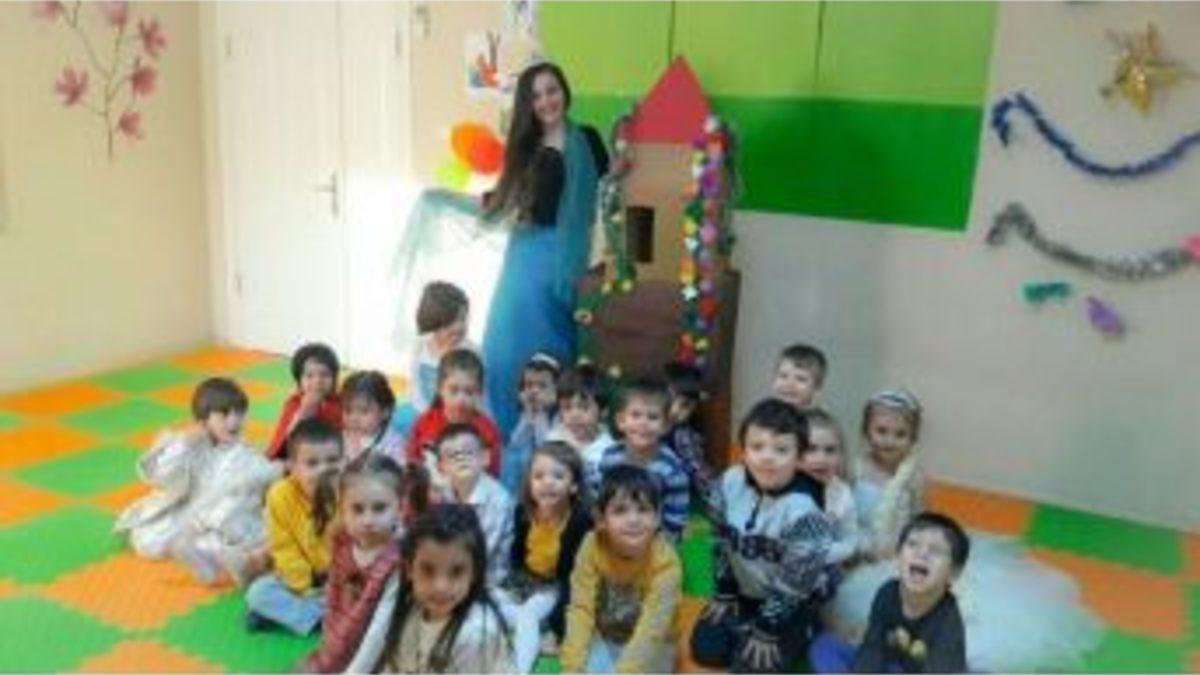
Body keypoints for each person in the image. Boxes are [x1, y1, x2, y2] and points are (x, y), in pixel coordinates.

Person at [829, 389, 1103, 672]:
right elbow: (842, 510)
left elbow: (922, 521)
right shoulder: (855, 469)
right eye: (881, 431)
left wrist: (907, 552)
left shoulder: (914, 477)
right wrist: (855, 548)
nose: (889, 440)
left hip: (899, 553)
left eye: (900, 434)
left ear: (913, 438)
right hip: (859, 546)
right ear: (866, 431)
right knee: (854, 610)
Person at [481, 62, 609, 439]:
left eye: (552, 90)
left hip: (569, 253)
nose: (546, 101)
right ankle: (508, 435)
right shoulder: (523, 146)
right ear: (528, 103)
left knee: (556, 340)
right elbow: (505, 199)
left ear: (564, 91)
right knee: (506, 341)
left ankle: (557, 436)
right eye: (536, 95)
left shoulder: (587, 139)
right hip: (525, 255)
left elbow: (607, 198)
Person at [690, 398, 835, 673]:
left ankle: (806, 627)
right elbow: (719, 539)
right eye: (757, 447)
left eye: (781, 449)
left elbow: (795, 584)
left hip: (790, 602)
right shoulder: (729, 482)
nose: (767, 457)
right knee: (706, 648)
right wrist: (725, 591)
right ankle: (746, 627)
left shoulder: (805, 512)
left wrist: (768, 626)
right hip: (744, 592)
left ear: (799, 457)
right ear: (743, 451)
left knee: (752, 668)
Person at [114, 377, 280, 586]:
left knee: (246, 530)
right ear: (203, 421)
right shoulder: (192, 446)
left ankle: (217, 560)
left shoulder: (245, 453)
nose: (234, 421)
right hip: (192, 510)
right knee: (150, 540)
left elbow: (257, 481)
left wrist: (275, 471)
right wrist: (184, 443)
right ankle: (209, 557)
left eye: (239, 413)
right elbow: (160, 474)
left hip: (227, 516)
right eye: (224, 415)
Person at [346, 505, 518, 673]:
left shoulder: (474, 634)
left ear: (474, 573)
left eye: (456, 572)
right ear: (409, 569)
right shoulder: (411, 609)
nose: (440, 587)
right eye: (428, 570)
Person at [302, 454, 429, 672]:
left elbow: (380, 630)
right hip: (341, 638)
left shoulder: (399, 559)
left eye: (379, 508)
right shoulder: (342, 542)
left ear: (400, 508)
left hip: (381, 653)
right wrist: (328, 643)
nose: (368, 520)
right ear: (342, 510)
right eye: (357, 509)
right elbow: (332, 593)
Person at [810, 512, 969, 673]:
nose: (922, 554)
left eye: (935, 551)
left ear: (953, 573)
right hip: (886, 665)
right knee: (825, 645)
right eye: (913, 544)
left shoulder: (949, 624)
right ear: (897, 557)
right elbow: (873, 648)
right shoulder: (888, 593)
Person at [559, 465, 681, 673]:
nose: (633, 520)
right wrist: (572, 666)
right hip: (605, 636)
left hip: (653, 644)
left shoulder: (666, 563)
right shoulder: (591, 545)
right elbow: (581, 609)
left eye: (643, 510)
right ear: (600, 519)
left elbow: (652, 629)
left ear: (657, 518)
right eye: (620, 510)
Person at [245, 418, 345, 635]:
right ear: (292, 467)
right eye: (312, 463)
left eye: (332, 461)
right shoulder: (280, 495)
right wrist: (304, 586)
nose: (323, 470)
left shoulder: (349, 492)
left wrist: (336, 581)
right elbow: (283, 546)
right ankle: (317, 618)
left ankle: (291, 616)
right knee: (259, 592)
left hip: (341, 577)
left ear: (344, 461)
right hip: (304, 579)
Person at [499, 441, 593, 670]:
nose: (547, 482)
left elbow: (574, 579)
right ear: (529, 483)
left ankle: (519, 667)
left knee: (528, 614)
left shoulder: (579, 523)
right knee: (488, 599)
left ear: (573, 486)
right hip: (525, 578)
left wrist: (561, 628)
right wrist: (512, 584)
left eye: (558, 476)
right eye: (539, 476)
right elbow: (517, 553)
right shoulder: (524, 512)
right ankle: (529, 627)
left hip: (554, 586)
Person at [588, 378, 690, 540]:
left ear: (665, 426)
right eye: (635, 415)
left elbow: (675, 520)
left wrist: (653, 546)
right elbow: (598, 498)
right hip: (613, 535)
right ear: (621, 421)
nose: (643, 423)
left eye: (652, 417)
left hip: (654, 541)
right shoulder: (610, 457)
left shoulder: (671, 470)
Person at [435, 424, 514, 585]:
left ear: (485, 458)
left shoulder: (498, 500)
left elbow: (483, 551)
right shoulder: (445, 492)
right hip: (453, 567)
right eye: (452, 455)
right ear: (442, 467)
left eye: (468, 452)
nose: (461, 458)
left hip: (490, 579)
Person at [406, 349, 502, 476]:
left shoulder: (488, 432)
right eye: (454, 390)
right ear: (440, 389)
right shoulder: (423, 424)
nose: (460, 399)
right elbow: (412, 465)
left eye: (469, 392)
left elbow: (492, 475)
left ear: (479, 393)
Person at [801, 408, 859, 566]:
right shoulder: (783, 489)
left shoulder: (841, 492)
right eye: (811, 449)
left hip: (826, 567)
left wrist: (829, 554)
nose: (821, 459)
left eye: (830, 450)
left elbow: (850, 539)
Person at [265, 343, 343, 460]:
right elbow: (283, 444)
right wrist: (302, 415)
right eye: (309, 376)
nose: (317, 381)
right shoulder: (294, 403)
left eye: (325, 375)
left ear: (334, 377)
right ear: (299, 380)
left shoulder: (339, 402)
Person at [500, 352, 561, 495]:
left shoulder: (560, 416)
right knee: (512, 456)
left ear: (556, 389)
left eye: (542, 386)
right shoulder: (527, 411)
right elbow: (516, 442)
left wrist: (540, 413)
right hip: (529, 469)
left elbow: (546, 446)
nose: (534, 391)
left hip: (553, 464)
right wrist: (527, 415)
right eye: (529, 385)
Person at [547, 363, 613, 474]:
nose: (575, 415)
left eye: (584, 407)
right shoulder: (553, 440)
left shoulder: (609, 451)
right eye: (567, 408)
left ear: (603, 411)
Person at [340, 370, 405, 465]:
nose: (354, 419)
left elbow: (396, 470)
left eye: (364, 411)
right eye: (348, 411)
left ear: (385, 412)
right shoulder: (340, 440)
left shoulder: (393, 444)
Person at [770, 343, 827, 412]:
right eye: (783, 376)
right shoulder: (763, 413)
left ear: (817, 386)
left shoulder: (817, 419)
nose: (789, 384)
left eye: (800, 379)